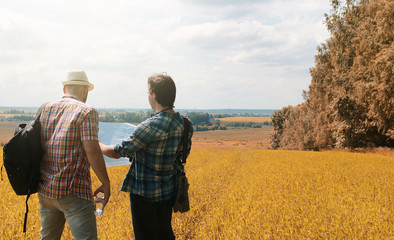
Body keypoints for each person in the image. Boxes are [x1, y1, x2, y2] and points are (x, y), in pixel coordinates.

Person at [100, 73, 193, 240]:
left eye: (148, 92)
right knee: (164, 232)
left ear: (155, 95)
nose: (148, 96)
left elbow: (117, 152)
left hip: (144, 193)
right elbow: (183, 154)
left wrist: (98, 145)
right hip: (169, 190)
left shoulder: (150, 125)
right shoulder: (185, 123)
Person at [38, 71, 111, 240]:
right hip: (73, 190)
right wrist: (105, 182)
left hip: (46, 189)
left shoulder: (46, 108)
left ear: (64, 88)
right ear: (85, 90)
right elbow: (92, 150)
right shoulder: (87, 111)